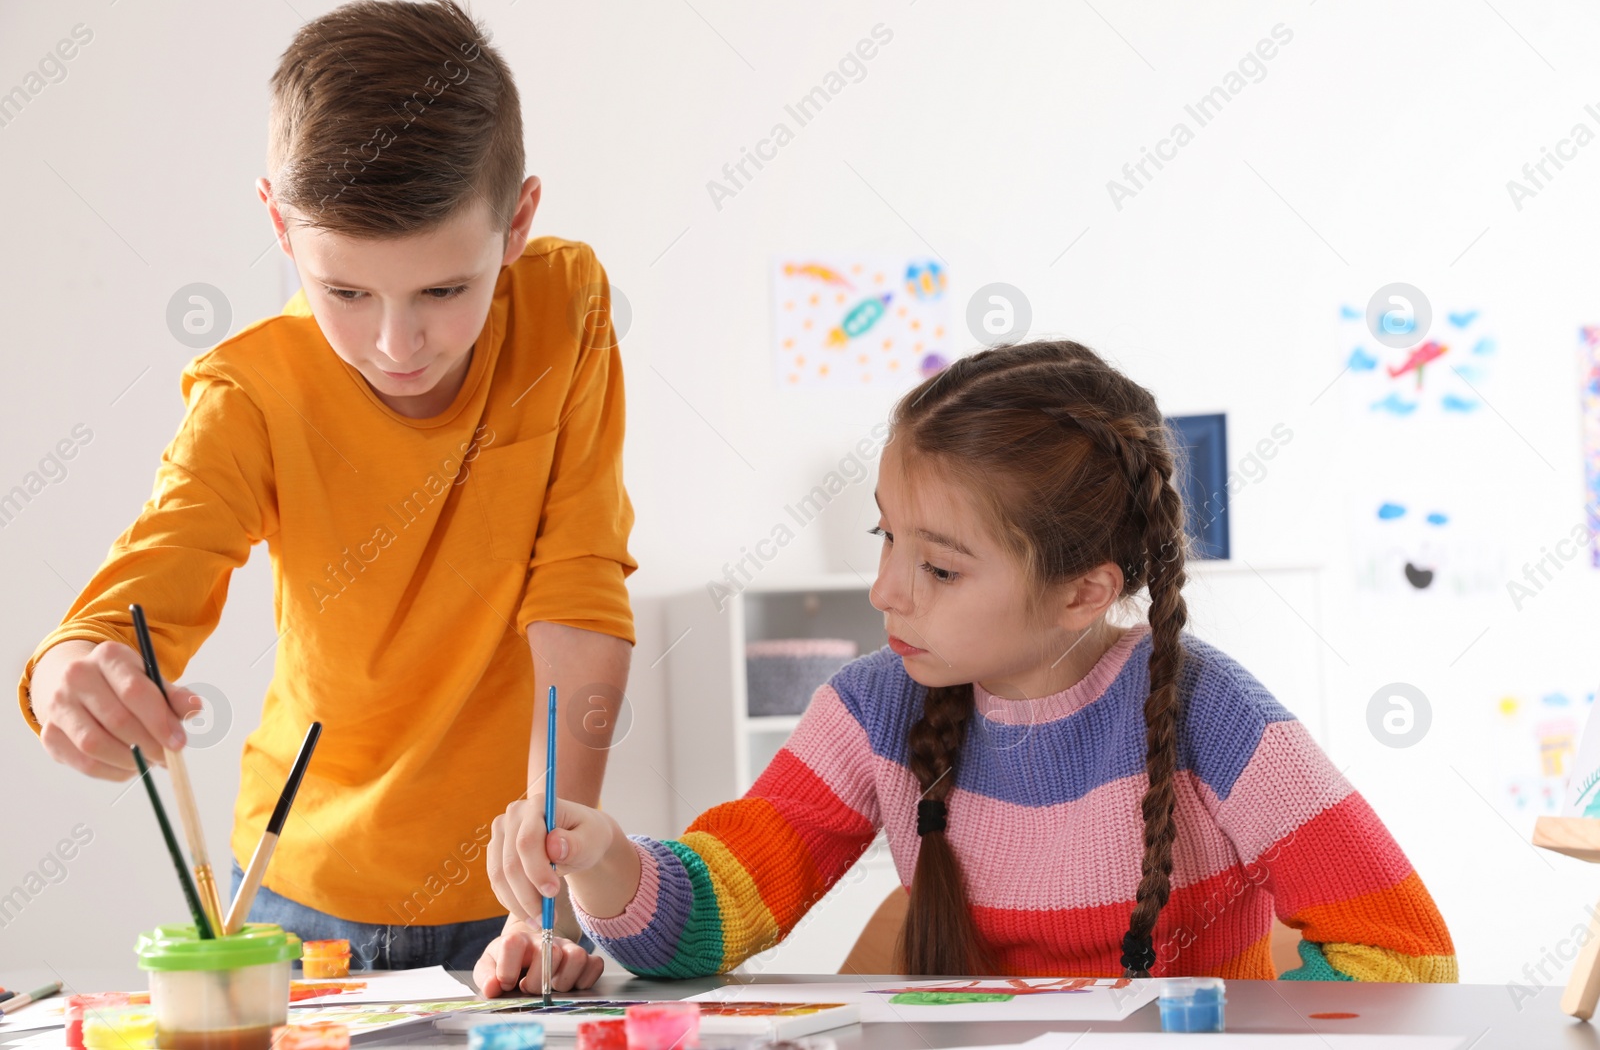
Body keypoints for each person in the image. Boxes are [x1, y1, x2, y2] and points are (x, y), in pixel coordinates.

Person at [480, 340, 1456, 982]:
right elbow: (704, 919)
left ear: (1083, 588)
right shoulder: (869, 710)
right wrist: (604, 854)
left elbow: (1403, 951)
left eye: (938, 565)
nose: (884, 590)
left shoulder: (1211, 708)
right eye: (885, 536)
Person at [21, 0, 630, 987]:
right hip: (294, 894)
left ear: (517, 220)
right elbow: (151, 579)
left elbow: (579, 582)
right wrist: (69, 672)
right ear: (278, 221)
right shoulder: (251, 393)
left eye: (443, 290)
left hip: (513, 893)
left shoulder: (567, 308)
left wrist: (548, 872)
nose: (398, 344)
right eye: (344, 292)